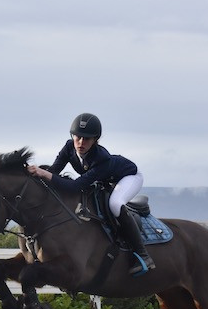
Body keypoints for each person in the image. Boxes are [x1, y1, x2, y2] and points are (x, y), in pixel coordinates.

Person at [27, 112, 155, 275]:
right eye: (78, 137)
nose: (81, 142)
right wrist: (34, 172)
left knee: (115, 204)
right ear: (72, 135)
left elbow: (75, 187)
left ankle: (143, 254)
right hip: (105, 180)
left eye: (87, 139)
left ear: (95, 140)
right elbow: (54, 172)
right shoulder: (68, 147)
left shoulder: (102, 158)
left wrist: (44, 174)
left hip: (129, 177)